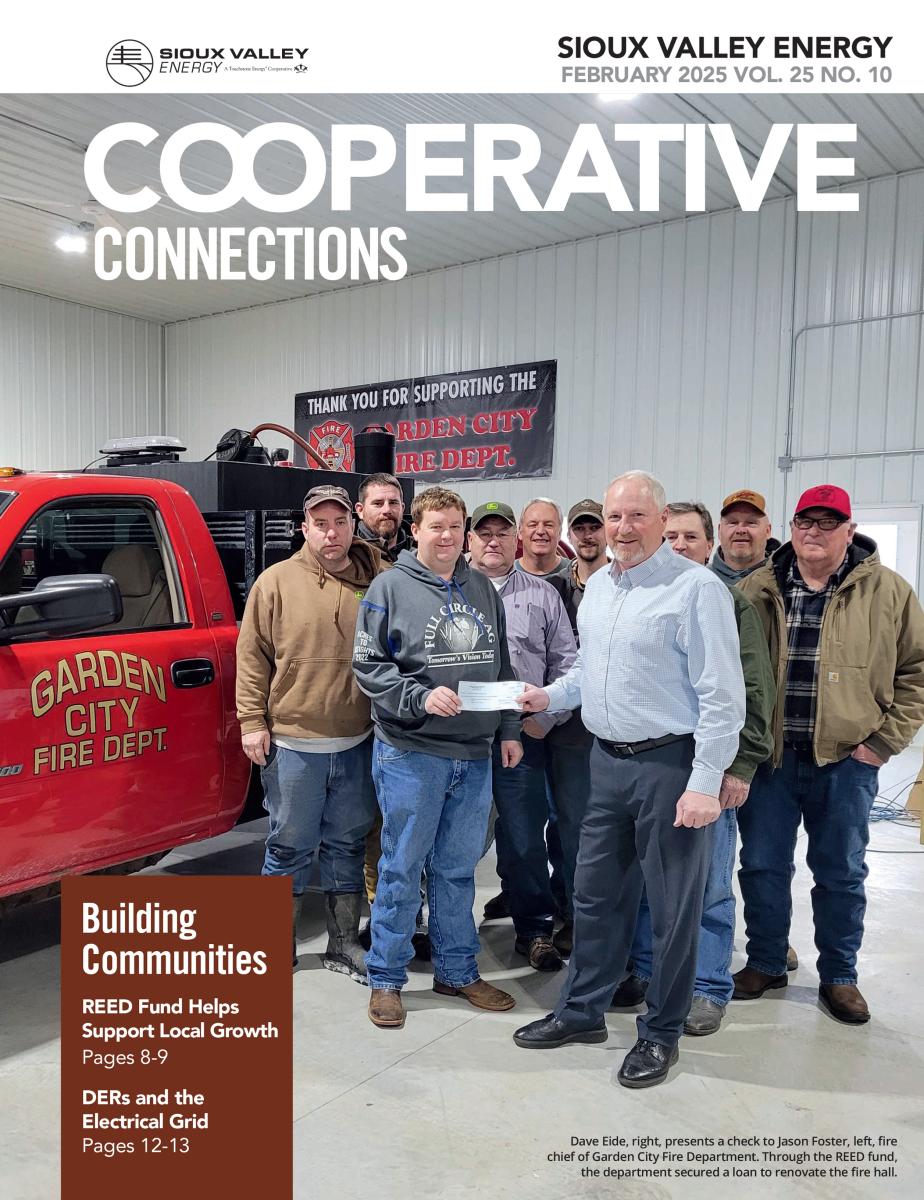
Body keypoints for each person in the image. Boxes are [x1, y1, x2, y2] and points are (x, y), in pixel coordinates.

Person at [511, 470, 745, 1089]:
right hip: (605, 764)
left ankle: (661, 1032)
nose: (623, 528)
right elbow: (590, 670)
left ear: (662, 520)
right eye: (614, 516)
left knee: (671, 908)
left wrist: (704, 781)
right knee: (594, 895)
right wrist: (550, 695)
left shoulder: (696, 589)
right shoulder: (600, 590)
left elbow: (723, 695)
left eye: (637, 515)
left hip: (670, 765)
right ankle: (582, 1011)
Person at [735, 484, 924, 1024]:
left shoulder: (889, 592)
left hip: (845, 762)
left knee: (840, 873)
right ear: (791, 528)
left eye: (827, 522)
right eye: (805, 521)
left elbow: (917, 672)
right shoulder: (756, 588)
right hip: (770, 761)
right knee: (762, 866)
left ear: (849, 530)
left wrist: (882, 744)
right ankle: (766, 961)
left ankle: (840, 975)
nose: (814, 532)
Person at [353, 485, 523, 1029]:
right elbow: (369, 667)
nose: (446, 536)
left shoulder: (482, 588)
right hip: (412, 753)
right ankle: (386, 978)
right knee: (401, 867)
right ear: (416, 531)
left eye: (454, 527)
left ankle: (457, 970)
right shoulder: (389, 587)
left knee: (456, 870)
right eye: (436, 526)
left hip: (473, 755)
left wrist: (509, 728)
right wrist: (419, 697)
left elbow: (501, 664)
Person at [614, 502, 775, 1036]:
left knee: (708, 884)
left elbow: (751, 689)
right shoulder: (644, 594)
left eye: (690, 537)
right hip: (656, 767)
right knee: (650, 877)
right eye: (672, 537)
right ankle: (646, 970)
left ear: (710, 546)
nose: (679, 546)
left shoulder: (723, 600)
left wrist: (739, 765)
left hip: (710, 765)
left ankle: (707, 986)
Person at [236, 484, 384, 978]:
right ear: (304, 529)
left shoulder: (377, 581)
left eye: (340, 523)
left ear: (353, 525)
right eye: (320, 524)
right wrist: (251, 722)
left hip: (358, 739)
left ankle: (343, 945)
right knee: (288, 846)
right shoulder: (275, 582)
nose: (331, 533)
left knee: (347, 845)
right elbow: (252, 656)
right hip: (294, 741)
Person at [468, 500, 577, 971]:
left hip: (523, 736)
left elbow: (567, 663)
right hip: (460, 739)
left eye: (502, 533)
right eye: (484, 533)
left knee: (524, 835)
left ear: (516, 540)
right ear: (470, 540)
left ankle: (534, 930)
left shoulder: (543, 595)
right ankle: (449, 930)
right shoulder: (448, 590)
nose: (493, 541)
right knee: (455, 839)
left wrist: (545, 719)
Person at [711, 489, 779, 584]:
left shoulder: (784, 582)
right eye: (732, 522)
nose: (740, 530)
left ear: (768, 531)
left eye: (751, 522)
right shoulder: (701, 581)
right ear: (719, 531)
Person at [355, 472, 411, 562]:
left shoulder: (421, 551)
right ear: (360, 510)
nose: (387, 510)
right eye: (378, 503)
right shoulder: (348, 555)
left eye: (393, 503)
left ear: (402, 508)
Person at [516, 498, 572, 581]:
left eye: (548, 525)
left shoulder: (576, 575)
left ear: (559, 532)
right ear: (520, 532)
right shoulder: (505, 576)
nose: (540, 531)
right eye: (533, 525)